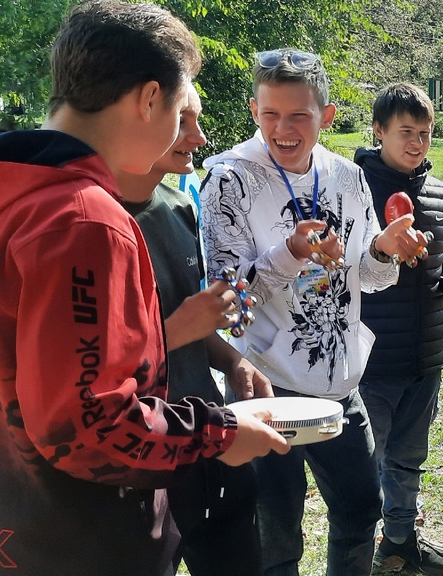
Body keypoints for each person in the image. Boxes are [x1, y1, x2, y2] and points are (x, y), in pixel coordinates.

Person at [0, 3, 288, 575]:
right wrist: (219, 432)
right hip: (77, 543)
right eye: (179, 107)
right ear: (148, 98)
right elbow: (88, 427)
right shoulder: (86, 220)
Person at [199, 48, 427, 576]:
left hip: (339, 382)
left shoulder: (346, 176)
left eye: (299, 115)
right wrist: (290, 253)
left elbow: (368, 276)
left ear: (325, 116)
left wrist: (384, 250)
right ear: (254, 111)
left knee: (360, 507)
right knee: (277, 530)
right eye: (270, 113)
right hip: (266, 383)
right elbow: (227, 299)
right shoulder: (229, 179)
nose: (283, 128)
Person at [114, 84, 274, 576]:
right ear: (142, 112)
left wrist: (230, 359)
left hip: (206, 431)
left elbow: (192, 320)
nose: (199, 138)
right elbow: (99, 367)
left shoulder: (180, 207)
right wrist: (179, 331)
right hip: (140, 454)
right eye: (183, 122)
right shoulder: (93, 223)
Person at [353, 82, 443, 575]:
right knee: (363, 464)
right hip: (370, 356)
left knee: (407, 459)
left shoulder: (440, 193)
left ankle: (399, 539)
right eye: (406, 132)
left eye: (424, 133)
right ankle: (353, 550)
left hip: (424, 354)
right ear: (379, 131)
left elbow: (441, 270)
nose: (417, 143)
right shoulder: (352, 185)